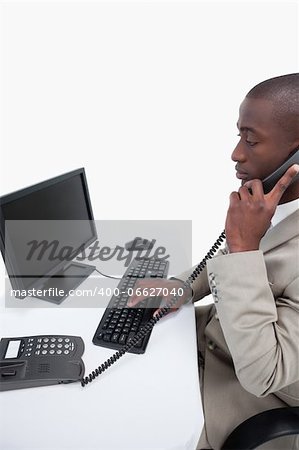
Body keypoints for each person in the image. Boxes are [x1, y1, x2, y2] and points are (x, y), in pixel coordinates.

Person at [128, 73, 299, 450]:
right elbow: (234, 266)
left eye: (251, 140)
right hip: (207, 346)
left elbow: (264, 373)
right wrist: (181, 287)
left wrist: (243, 246)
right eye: (239, 135)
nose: (236, 153)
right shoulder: (275, 205)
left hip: (242, 397)